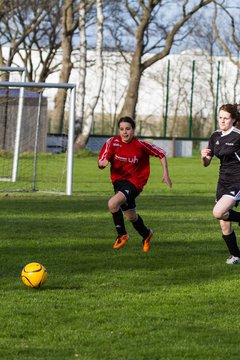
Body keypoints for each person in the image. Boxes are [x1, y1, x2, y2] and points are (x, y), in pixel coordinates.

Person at [98, 116, 172, 252]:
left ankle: (122, 235)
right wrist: (102, 164)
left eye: (128, 129)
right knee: (131, 216)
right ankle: (146, 233)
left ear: (133, 130)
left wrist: (165, 173)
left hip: (135, 182)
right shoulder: (112, 142)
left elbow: (161, 153)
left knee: (112, 204)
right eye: (121, 129)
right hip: (118, 183)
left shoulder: (141, 145)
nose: (124, 132)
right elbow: (102, 160)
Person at [201, 103, 240, 264]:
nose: (222, 121)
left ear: (233, 120)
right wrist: (203, 156)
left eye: (226, 118)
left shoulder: (238, 135)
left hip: (237, 181)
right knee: (224, 223)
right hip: (222, 181)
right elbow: (206, 163)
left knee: (218, 212)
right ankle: (236, 256)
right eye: (220, 117)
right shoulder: (215, 136)